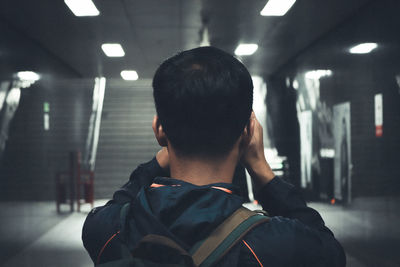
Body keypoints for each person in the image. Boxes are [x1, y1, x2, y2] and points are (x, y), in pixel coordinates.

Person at [82, 46, 346, 266]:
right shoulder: (276, 245)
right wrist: (261, 169)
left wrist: (159, 157)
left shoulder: (108, 230)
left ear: (159, 129)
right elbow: (331, 252)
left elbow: (118, 203)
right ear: (248, 132)